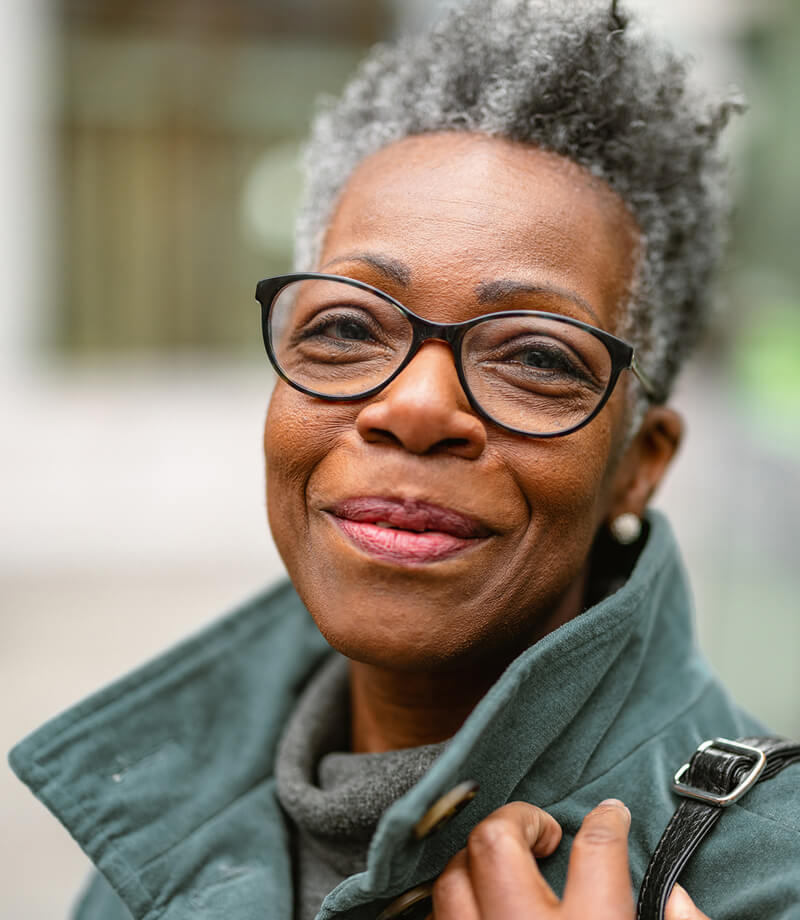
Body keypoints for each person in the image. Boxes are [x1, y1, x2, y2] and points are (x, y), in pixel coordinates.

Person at [9, 1, 800, 918]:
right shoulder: (147, 842)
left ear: (640, 462)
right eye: (346, 327)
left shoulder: (766, 875)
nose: (416, 407)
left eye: (538, 357)